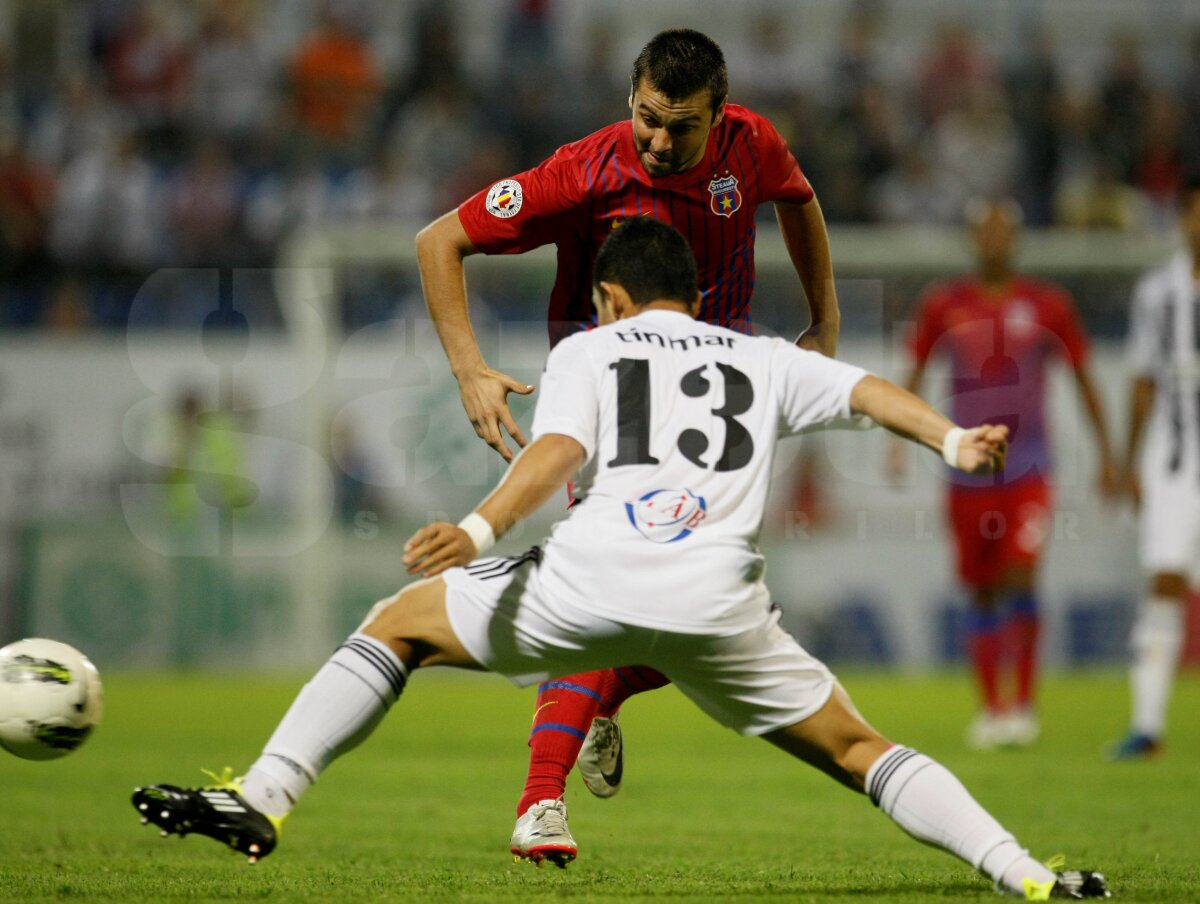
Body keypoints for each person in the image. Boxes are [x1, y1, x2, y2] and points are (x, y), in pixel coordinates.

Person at [131, 217, 1109, 900]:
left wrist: (477, 530)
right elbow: (867, 392)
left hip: (591, 582)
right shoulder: (763, 357)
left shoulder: (590, 351)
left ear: (609, 297)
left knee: (399, 624)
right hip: (717, 604)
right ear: (697, 296)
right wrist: (952, 440)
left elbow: (557, 452)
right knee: (859, 749)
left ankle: (264, 796)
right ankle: (1025, 873)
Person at [415, 28, 841, 856]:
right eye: (648, 118)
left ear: (720, 117)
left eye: (681, 127)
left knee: (706, 614)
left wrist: (824, 317)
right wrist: (470, 371)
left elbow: (799, 198)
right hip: (615, 407)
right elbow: (440, 240)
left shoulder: (753, 147)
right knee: (612, 601)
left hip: (717, 414)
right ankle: (540, 803)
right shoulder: (583, 171)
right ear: (631, 100)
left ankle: (598, 701)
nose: (659, 141)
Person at [887, 198, 1118, 750]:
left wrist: (1108, 454)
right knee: (982, 589)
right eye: (984, 231)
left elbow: (1083, 376)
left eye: (1001, 231)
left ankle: (1025, 705)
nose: (993, 240)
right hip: (967, 469)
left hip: (1030, 465)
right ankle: (993, 709)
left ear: (1016, 239)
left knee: (1022, 574)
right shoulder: (945, 303)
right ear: (973, 240)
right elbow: (914, 372)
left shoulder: (1047, 305)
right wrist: (897, 443)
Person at [1108, 180, 1200, 759]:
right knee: (1165, 579)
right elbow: (1142, 379)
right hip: (1173, 460)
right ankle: (1147, 726)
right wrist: (1129, 461)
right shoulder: (1157, 292)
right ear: (1183, 220)